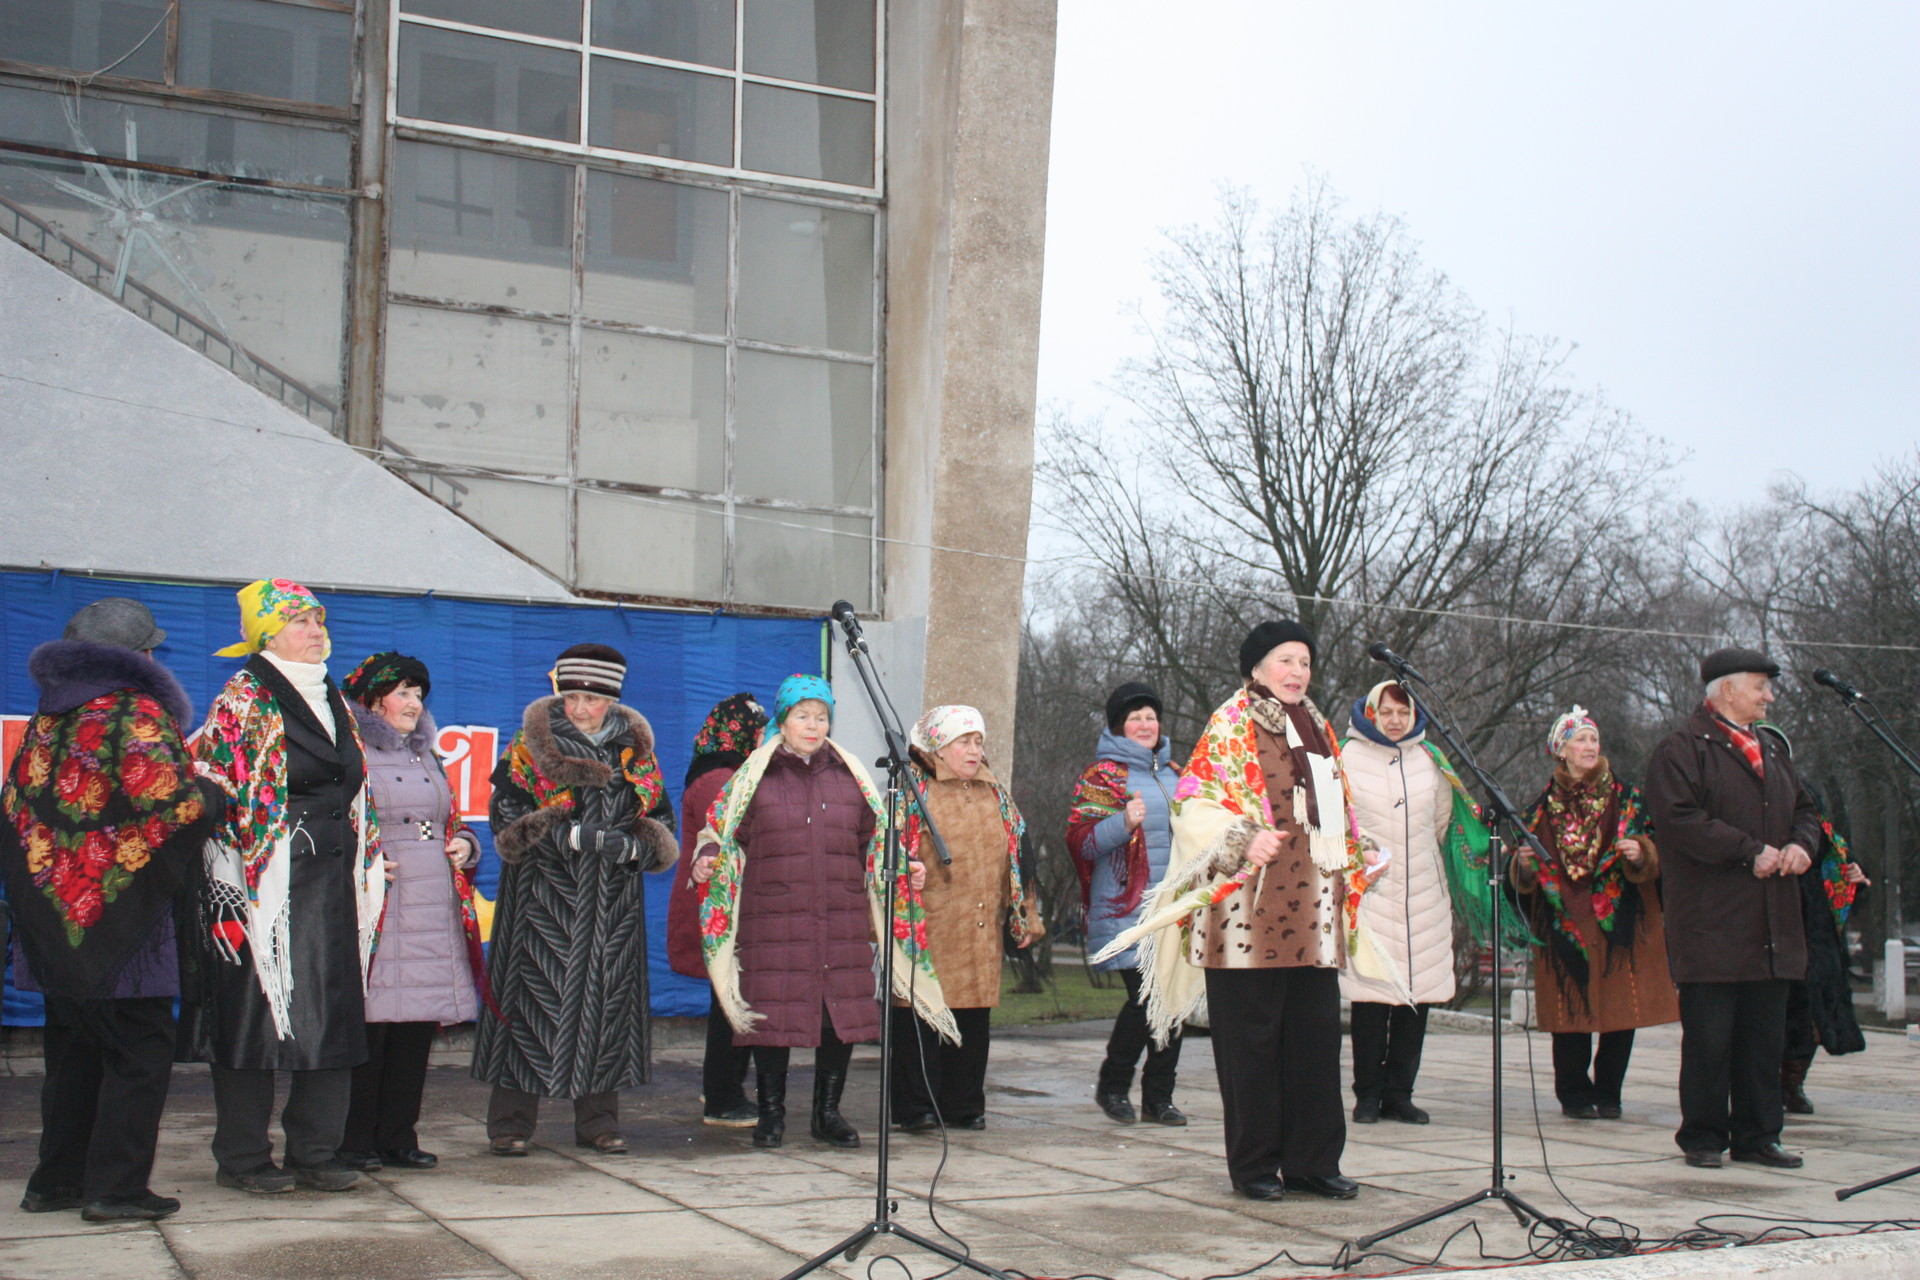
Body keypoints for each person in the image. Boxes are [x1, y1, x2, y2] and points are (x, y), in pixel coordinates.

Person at [1095, 621, 1386, 1203]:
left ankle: (1312, 1163)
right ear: (1256, 668)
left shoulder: (1317, 727)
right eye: (1286, 660)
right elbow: (1192, 802)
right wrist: (1241, 836)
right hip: (1244, 918)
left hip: (1311, 914)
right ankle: (1254, 1165)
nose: (1298, 671)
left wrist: (1362, 850)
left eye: (1305, 661)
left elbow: (1336, 810)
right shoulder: (1231, 725)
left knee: (1315, 1044)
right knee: (1251, 1048)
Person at [0, 599, 221, 1222]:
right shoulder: (136, 710)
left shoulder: (49, 717)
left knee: (73, 1053)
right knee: (139, 1052)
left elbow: (15, 809)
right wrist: (212, 792)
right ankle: (116, 1189)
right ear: (139, 656)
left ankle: (56, 1181)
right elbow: (175, 807)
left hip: (52, 919)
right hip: (123, 921)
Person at [692, 674, 949, 1150]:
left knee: (840, 1016)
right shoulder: (752, 777)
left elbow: (876, 842)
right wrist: (707, 858)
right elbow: (719, 833)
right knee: (772, 1017)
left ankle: (827, 1114)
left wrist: (905, 867)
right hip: (773, 919)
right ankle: (771, 1114)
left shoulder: (850, 777)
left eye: (822, 716)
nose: (813, 725)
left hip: (840, 918)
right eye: (803, 716)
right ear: (783, 720)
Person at [185, 579, 384, 1194]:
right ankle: (243, 1158)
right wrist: (237, 882)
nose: (316, 631)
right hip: (261, 886)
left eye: (319, 620)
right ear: (267, 635)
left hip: (332, 884)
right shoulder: (243, 699)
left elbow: (353, 789)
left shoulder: (333, 698)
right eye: (300, 621)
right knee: (254, 1017)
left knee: (332, 1014)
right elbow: (215, 792)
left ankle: (316, 1151)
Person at [472, 644, 677, 1157]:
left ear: (613, 700)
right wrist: (566, 836)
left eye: (593, 698)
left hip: (611, 903)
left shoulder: (634, 750)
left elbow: (659, 818)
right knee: (528, 1007)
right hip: (542, 900)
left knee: (605, 1009)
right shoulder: (530, 745)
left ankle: (599, 1123)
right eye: (572, 697)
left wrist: (635, 848)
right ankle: (510, 1125)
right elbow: (504, 816)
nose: (581, 708)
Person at [1646, 648, 1821, 1170]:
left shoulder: (1773, 748)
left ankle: (1758, 1135)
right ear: (1726, 690)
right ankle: (1703, 1136)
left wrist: (1802, 845)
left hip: (1772, 923)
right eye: (1760, 686)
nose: (1770, 696)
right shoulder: (1682, 748)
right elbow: (1677, 820)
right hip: (1712, 925)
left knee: (1763, 1039)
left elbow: (1806, 809)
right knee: (1710, 1040)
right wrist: (1749, 851)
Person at [338, 652, 493, 1172]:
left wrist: (466, 845)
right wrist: (360, 861)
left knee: (415, 1024)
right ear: (372, 699)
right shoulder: (351, 751)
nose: (413, 704)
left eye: (419, 694)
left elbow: (452, 819)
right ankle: (354, 1139)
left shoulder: (426, 755)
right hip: (380, 903)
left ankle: (398, 1136)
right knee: (374, 1022)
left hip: (430, 900)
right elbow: (333, 821)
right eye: (402, 693)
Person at [1512, 706, 1679, 1120]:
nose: (1590, 746)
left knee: (1622, 1010)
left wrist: (1642, 853)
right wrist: (1523, 867)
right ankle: (1573, 1094)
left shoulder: (1630, 800)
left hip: (1620, 919)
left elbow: (1661, 847)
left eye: (1594, 738)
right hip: (1563, 920)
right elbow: (1520, 869)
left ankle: (1609, 1092)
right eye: (1580, 739)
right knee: (1569, 1011)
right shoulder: (1538, 809)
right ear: (1560, 750)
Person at [1339, 680, 1487, 1126]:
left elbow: (1441, 823)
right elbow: (1339, 822)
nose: (1395, 720)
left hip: (1424, 893)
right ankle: (1367, 1095)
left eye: (1403, 712)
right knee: (1371, 998)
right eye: (1386, 712)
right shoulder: (1346, 757)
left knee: (1416, 999)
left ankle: (1400, 1094)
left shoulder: (1430, 760)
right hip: (1372, 893)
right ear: (1371, 713)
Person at [892, 705, 1044, 1132]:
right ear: (939, 746)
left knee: (973, 1018)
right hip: (929, 925)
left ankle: (963, 1105)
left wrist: (1025, 916)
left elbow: (1019, 860)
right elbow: (886, 853)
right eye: (964, 741)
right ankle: (916, 1107)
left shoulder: (996, 794)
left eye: (978, 741)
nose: (975, 750)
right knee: (921, 1015)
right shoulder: (913, 791)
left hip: (980, 925)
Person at [1068, 681, 1188, 1126]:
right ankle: (1113, 1086)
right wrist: (1123, 822)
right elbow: (1081, 842)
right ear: (1120, 726)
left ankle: (1159, 1098)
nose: (1145, 724)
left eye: (1151, 717)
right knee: (1146, 997)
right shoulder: (1102, 776)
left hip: (1173, 907)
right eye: (1135, 717)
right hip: (1125, 907)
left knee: (1172, 1001)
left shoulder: (1176, 773)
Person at [1752, 722, 1867, 1114]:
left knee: (1813, 1010)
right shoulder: (1739, 799)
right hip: (1761, 917)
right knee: (1770, 1012)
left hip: (1812, 921)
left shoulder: (1808, 796)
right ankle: (1764, 1085)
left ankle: (1793, 1081)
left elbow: (1834, 852)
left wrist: (1853, 875)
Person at [665, 692, 768, 1128]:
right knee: (731, 999)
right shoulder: (721, 779)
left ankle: (722, 1088)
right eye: (759, 732)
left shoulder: (720, 771)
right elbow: (736, 839)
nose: (763, 740)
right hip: (720, 905)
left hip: (724, 904)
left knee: (731, 996)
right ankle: (724, 1096)